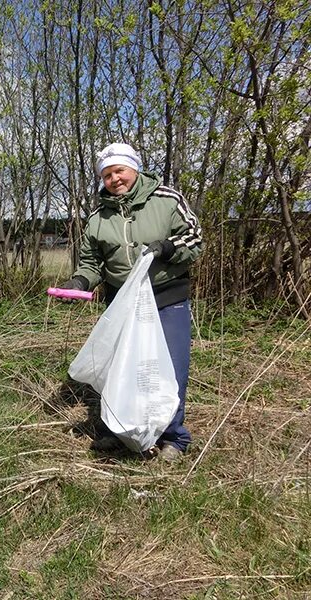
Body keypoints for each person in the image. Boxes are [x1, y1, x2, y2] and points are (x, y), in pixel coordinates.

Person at [61, 142, 204, 461]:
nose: (114, 179)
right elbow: (91, 261)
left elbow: (194, 238)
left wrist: (167, 248)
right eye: (107, 174)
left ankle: (173, 438)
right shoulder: (99, 217)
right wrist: (80, 281)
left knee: (169, 370)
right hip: (122, 302)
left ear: (134, 168)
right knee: (119, 369)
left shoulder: (166, 200)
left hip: (166, 298)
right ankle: (117, 431)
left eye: (120, 170)